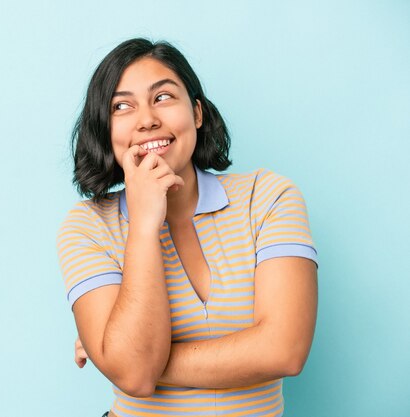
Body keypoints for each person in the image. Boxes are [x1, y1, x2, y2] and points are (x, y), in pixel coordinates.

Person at [57, 38, 318, 417]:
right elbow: (135, 377)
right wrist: (145, 225)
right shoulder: (87, 226)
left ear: (196, 113)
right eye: (122, 106)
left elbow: (286, 350)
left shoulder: (268, 197)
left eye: (163, 97)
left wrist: (118, 358)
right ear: (106, 129)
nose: (147, 119)